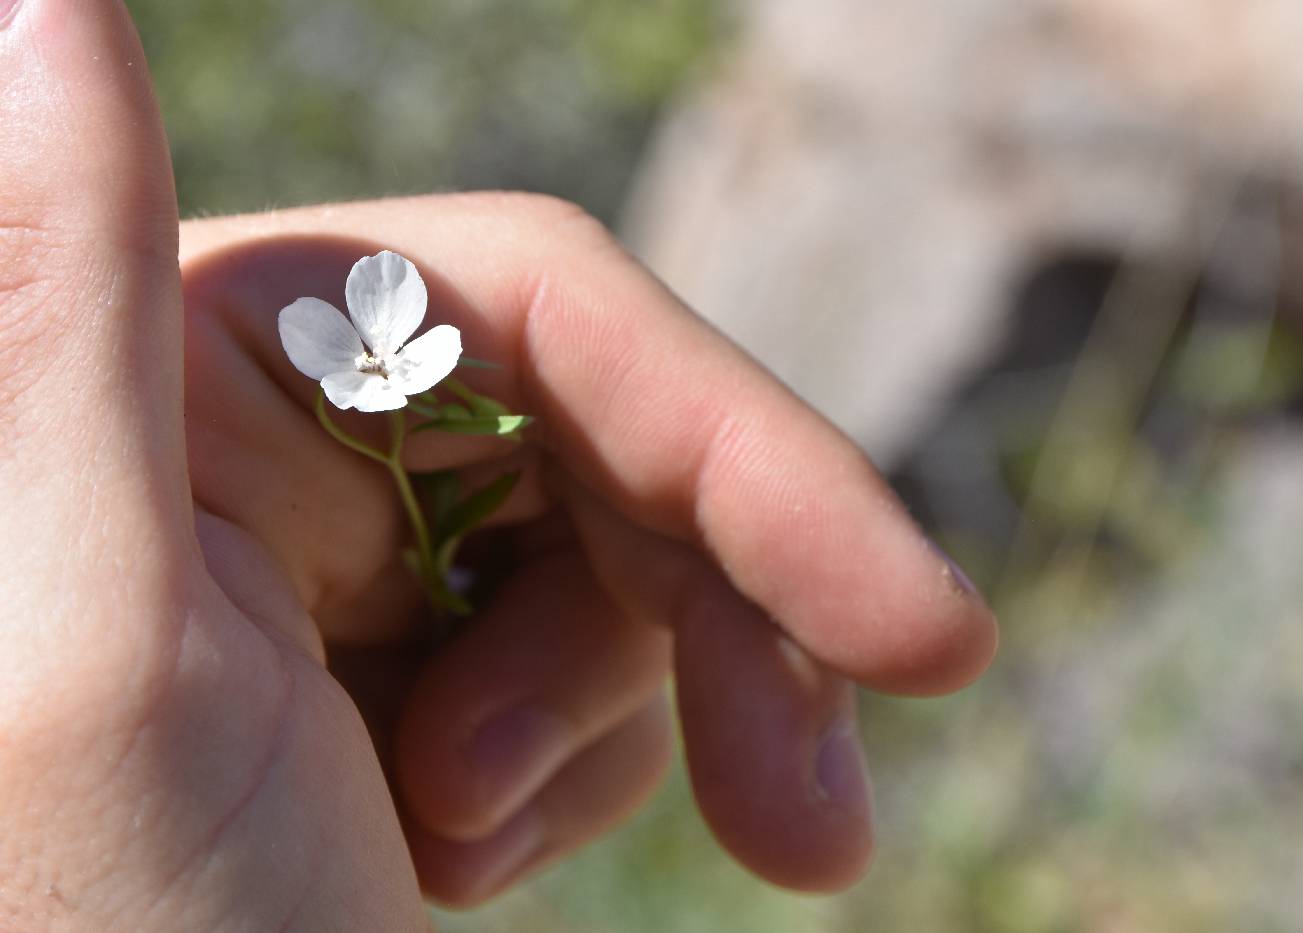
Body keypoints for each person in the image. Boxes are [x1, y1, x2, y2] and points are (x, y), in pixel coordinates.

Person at [0, 1, 997, 928]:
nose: (381, 369)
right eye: (374, 366)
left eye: (386, 362)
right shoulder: (341, 379)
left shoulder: (388, 385)